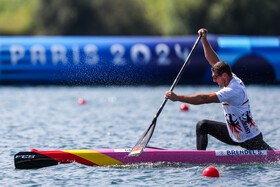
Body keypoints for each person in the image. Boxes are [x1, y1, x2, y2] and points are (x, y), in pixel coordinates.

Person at [165, 28, 272, 150]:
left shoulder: (232, 90)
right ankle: (200, 159)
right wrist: (204, 40)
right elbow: (214, 61)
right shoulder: (232, 76)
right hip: (235, 134)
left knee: (273, 157)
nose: (214, 80)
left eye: (216, 77)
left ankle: (199, 160)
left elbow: (204, 99)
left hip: (250, 139)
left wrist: (178, 97)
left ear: (224, 75)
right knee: (202, 125)